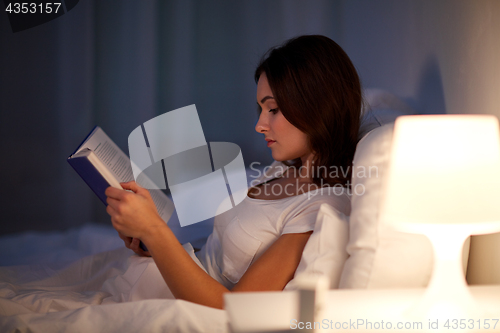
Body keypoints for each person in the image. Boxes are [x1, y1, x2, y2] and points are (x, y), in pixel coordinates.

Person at [105, 35, 361, 309]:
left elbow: (234, 310)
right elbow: (217, 256)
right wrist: (152, 243)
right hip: (152, 281)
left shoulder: (322, 207)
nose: (259, 125)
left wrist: (155, 231)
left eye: (273, 109)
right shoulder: (281, 169)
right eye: (261, 109)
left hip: (179, 307)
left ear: (317, 107)